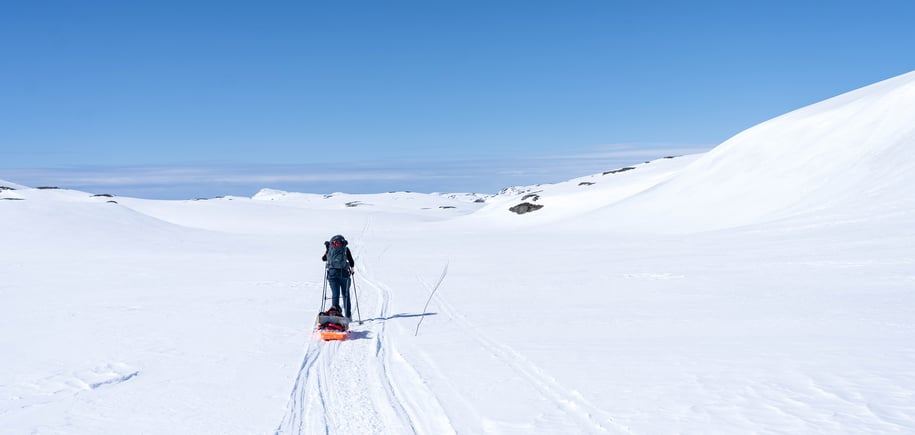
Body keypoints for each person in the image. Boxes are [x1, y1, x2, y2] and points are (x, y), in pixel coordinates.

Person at [322, 234, 355, 318]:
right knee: (345, 295)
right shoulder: (345, 249)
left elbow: (323, 259)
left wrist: (327, 251)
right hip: (344, 274)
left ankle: (335, 315)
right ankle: (348, 316)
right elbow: (351, 261)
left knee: (335, 294)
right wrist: (352, 269)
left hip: (332, 274)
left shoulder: (330, 248)